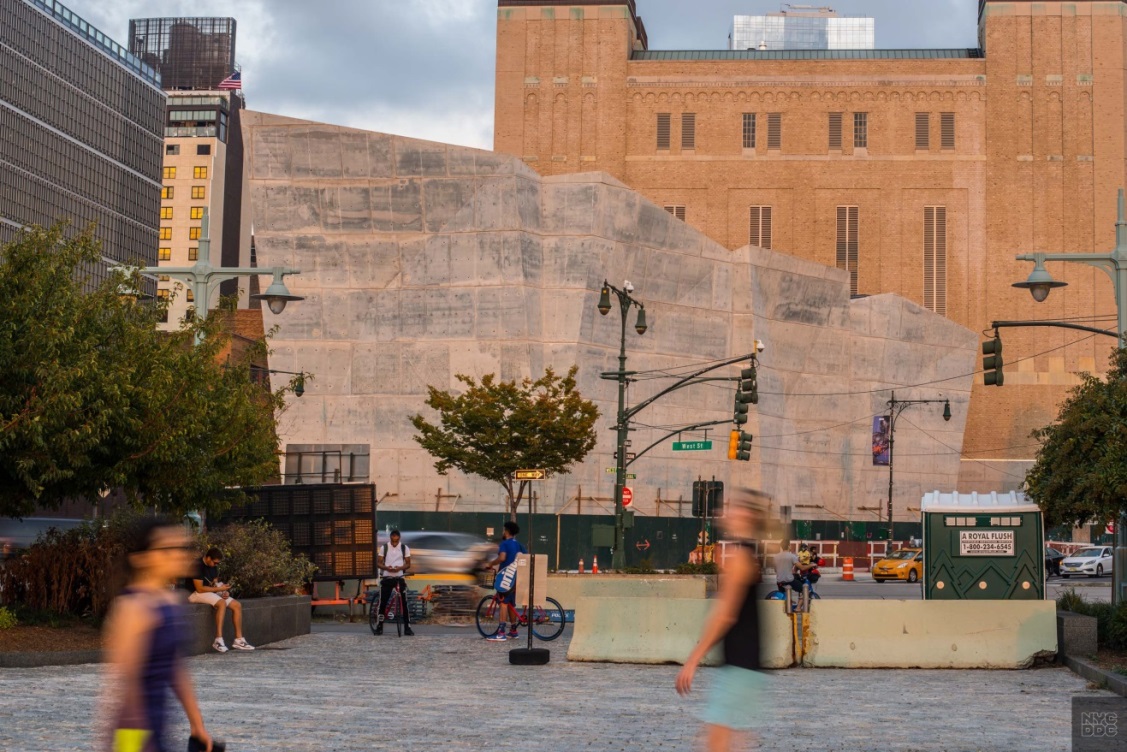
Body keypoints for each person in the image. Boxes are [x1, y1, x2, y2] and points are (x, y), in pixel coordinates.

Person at [102, 517, 215, 752]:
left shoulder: (174, 601)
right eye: (167, 549)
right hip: (133, 732)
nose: (178, 554)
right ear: (142, 559)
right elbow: (124, 682)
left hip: (160, 726)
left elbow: (176, 669)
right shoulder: (132, 607)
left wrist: (197, 724)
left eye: (182, 547)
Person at [676, 493, 768, 751]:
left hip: (740, 664)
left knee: (717, 741)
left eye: (734, 510)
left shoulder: (740, 560)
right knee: (727, 739)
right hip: (744, 664)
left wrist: (693, 659)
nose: (726, 514)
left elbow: (725, 615)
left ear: (747, 518)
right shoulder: (746, 556)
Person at [185, 547, 254, 653]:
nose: (216, 565)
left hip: (208, 592)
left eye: (217, 563)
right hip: (194, 593)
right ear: (208, 558)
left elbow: (214, 583)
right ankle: (218, 640)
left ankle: (239, 640)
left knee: (236, 605)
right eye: (215, 562)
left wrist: (223, 592)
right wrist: (219, 589)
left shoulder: (214, 567)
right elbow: (199, 588)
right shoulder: (197, 566)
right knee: (221, 603)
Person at [483, 521, 525, 641]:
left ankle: (501, 632)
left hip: (505, 578)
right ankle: (513, 630)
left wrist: (490, 564)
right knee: (511, 604)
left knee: (503, 603)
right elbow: (526, 557)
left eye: (503, 530)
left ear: (506, 531)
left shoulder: (504, 544)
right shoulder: (519, 545)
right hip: (515, 578)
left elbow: (502, 558)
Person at [375, 529, 414, 636]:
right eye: (393, 540)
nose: (394, 542)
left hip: (399, 577)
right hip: (387, 577)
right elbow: (379, 563)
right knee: (383, 602)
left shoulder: (404, 548)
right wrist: (386, 567)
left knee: (404, 603)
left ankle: (407, 627)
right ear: (390, 538)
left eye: (396, 540)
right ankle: (379, 626)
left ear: (399, 538)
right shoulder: (384, 547)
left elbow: (408, 564)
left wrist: (400, 568)